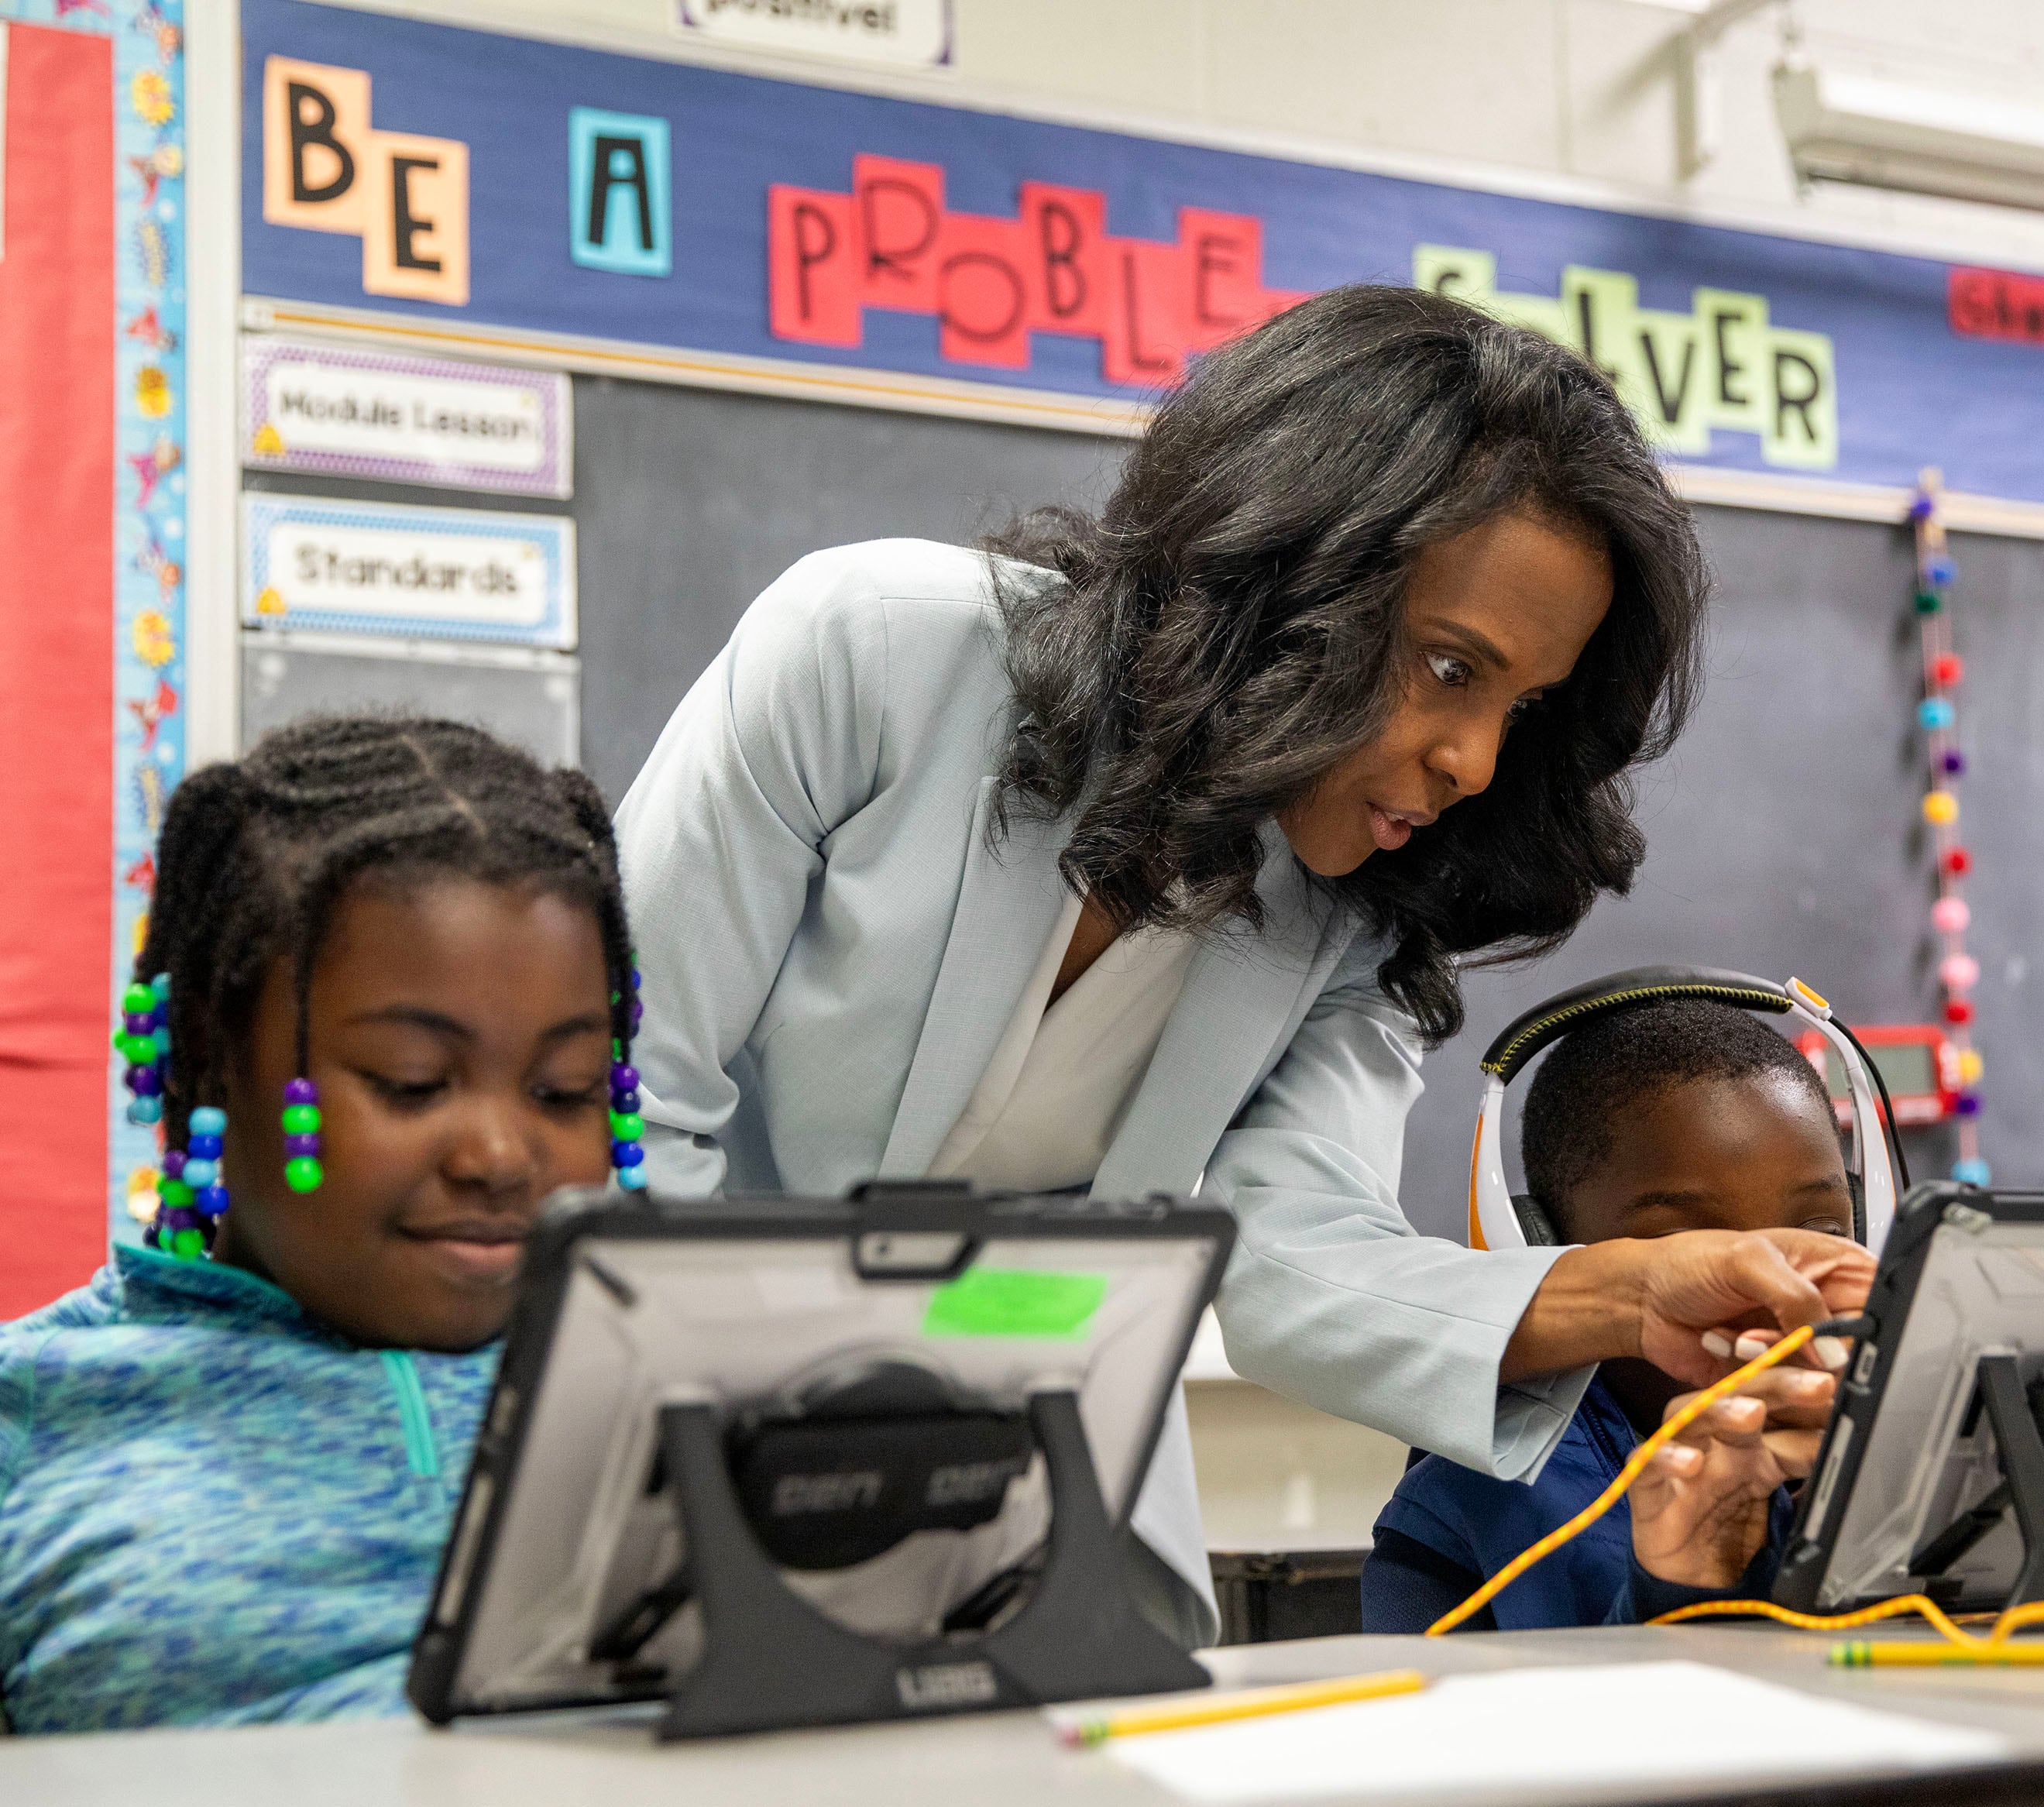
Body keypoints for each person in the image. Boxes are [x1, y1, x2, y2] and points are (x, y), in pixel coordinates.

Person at [617, 284, 1864, 1642]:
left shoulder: (1361, 903)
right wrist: (735, 1470)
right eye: (1452, 667)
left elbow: (1288, 1258)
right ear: (1286, 575)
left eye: (1526, 707)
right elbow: (635, 1095)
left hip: (1039, 1539)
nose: (1478, 762)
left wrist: (1634, 1289)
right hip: (680, 1461)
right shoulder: (871, 654)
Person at [0, 718, 643, 1733]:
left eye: (563, 1092)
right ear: (211, 1058)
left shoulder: (677, 1386)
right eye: (413, 1082)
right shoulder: (34, 1414)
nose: (501, 1155)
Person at [1362, 999, 1872, 1631]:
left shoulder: (1904, 1460)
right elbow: (1437, 1729)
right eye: (1686, 1248)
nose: (1769, 1289)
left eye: (1821, 1229)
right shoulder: (1463, 1508)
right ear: (1543, 1251)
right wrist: (1675, 1589)